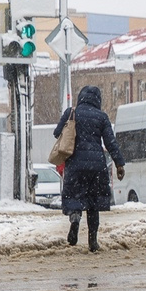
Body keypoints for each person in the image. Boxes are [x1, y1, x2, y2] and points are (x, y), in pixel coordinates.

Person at [55, 87, 125, 250]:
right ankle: (93, 241)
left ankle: (75, 220)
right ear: (97, 100)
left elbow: (57, 132)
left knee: (74, 197)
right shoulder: (102, 117)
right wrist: (119, 163)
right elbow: (110, 142)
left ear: (81, 98)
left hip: (75, 165)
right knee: (93, 204)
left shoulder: (71, 113)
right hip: (97, 166)